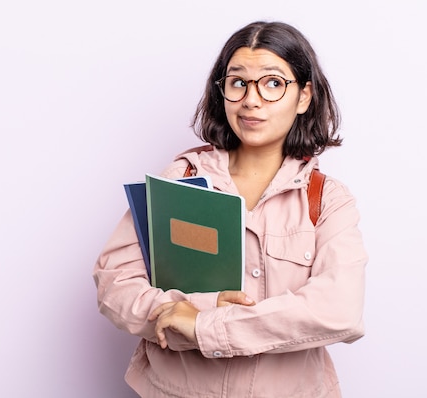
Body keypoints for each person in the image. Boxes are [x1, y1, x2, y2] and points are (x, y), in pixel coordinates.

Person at [93, 20, 368, 398]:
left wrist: (206, 325)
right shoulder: (180, 179)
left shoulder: (326, 199)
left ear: (304, 96)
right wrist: (191, 308)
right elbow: (115, 284)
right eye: (238, 82)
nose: (251, 100)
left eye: (273, 83)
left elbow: (339, 309)